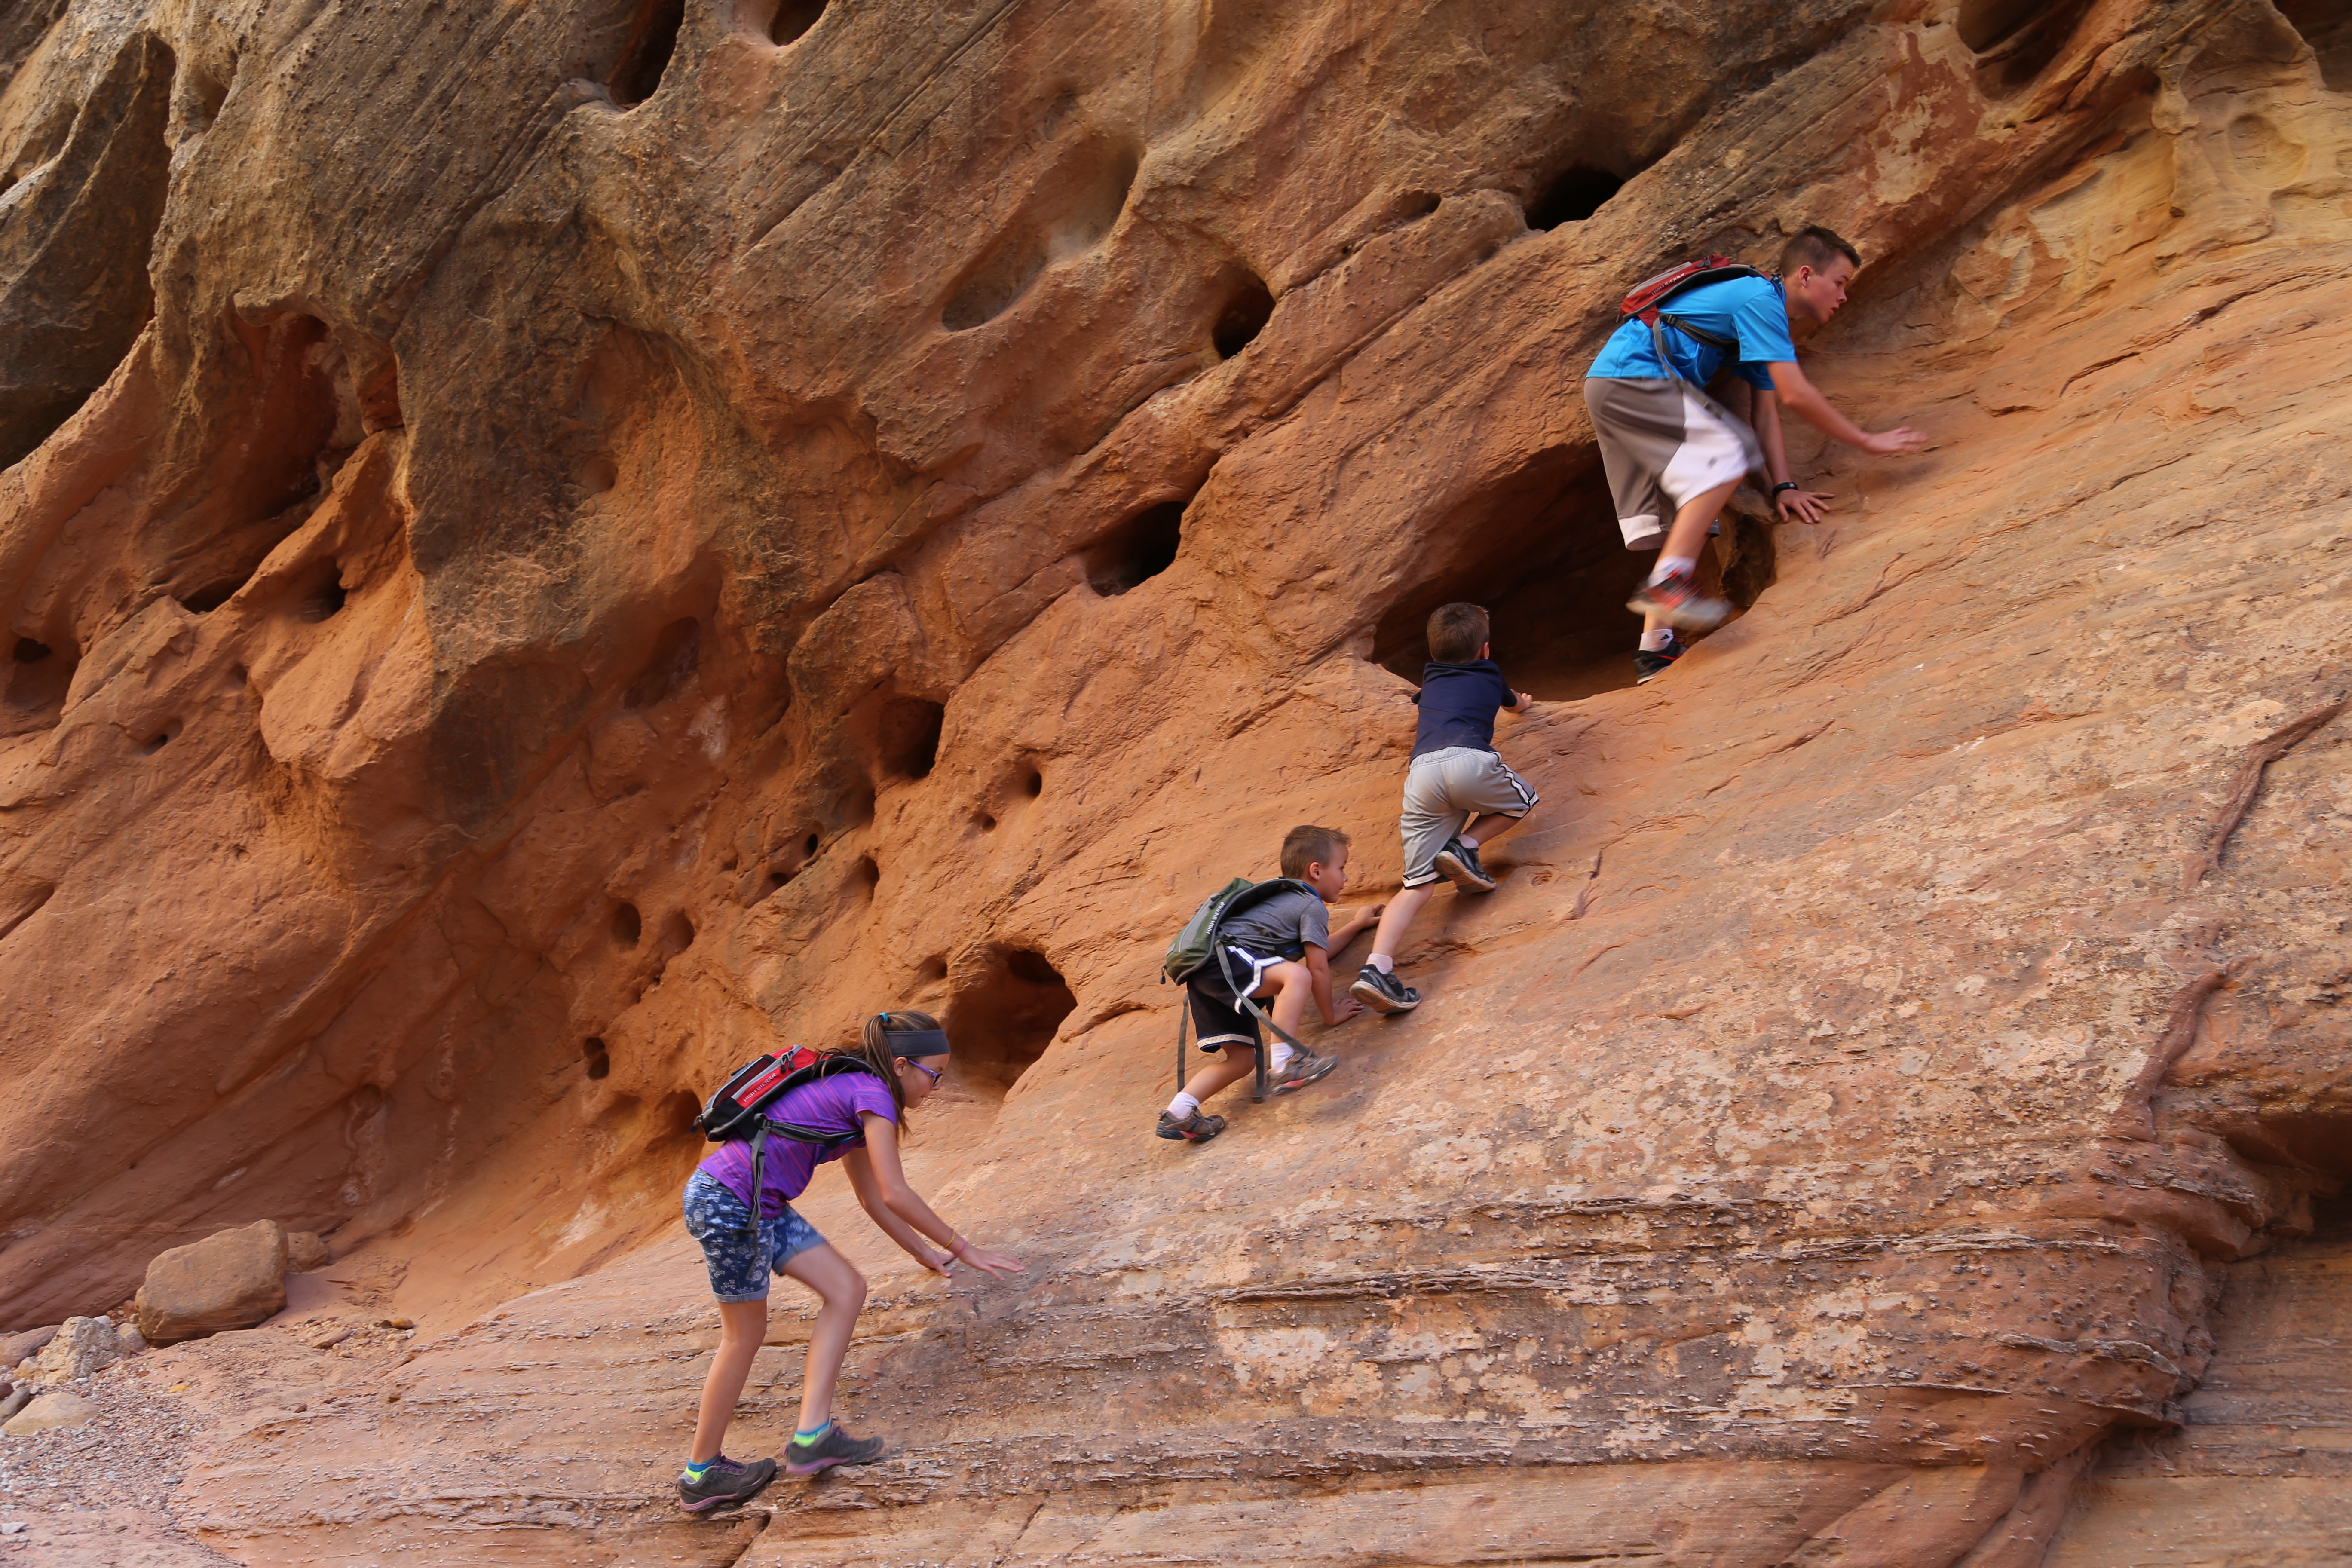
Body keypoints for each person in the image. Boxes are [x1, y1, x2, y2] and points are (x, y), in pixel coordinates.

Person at [676, 1011, 1023, 1511]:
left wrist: (925, 1252)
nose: (938, 1087)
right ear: (902, 1066)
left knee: (846, 1289)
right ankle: (701, 1473)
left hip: (756, 1203)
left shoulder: (856, 1089)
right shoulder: (873, 1094)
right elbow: (895, 1191)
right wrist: (965, 1247)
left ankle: (813, 1436)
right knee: (743, 1335)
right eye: (935, 1074)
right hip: (731, 1202)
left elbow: (873, 1198)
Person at [1583, 225, 1929, 677]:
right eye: (1840, 283)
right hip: (1631, 378)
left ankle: (1655, 649)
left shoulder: (1769, 325)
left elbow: (1766, 414)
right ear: (1806, 276)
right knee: (1727, 454)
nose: (1844, 296)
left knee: (1697, 506)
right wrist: (1866, 441)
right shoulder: (1759, 299)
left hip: (1622, 386)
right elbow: (1796, 394)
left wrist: (1783, 487)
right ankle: (1669, 584)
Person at [1349, 603, 1537, 1015]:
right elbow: (1515, 706)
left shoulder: (1430, 679)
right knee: (1522, 800)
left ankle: (1376, 969)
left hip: (1421, 776)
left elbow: (1426, 700)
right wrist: (1522, 702)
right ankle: (1467, 846)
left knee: (1416, 884)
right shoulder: (1491, 674)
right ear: (1485, 651)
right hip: (1469, 759)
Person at [1156, 825, 1382, 1144]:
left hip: (1206, 975)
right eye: (1342, 868)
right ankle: (1285, 1064)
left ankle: (1180, 1112)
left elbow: (1320, 951)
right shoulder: (1310, 904)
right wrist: (1329, 1015)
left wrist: (1357, 925)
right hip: (1228, 958)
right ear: (1316, 871)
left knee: (1241, 1062)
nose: (1346, 877)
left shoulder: (1285, 900)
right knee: (1296, 975)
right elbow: (1315, 968)